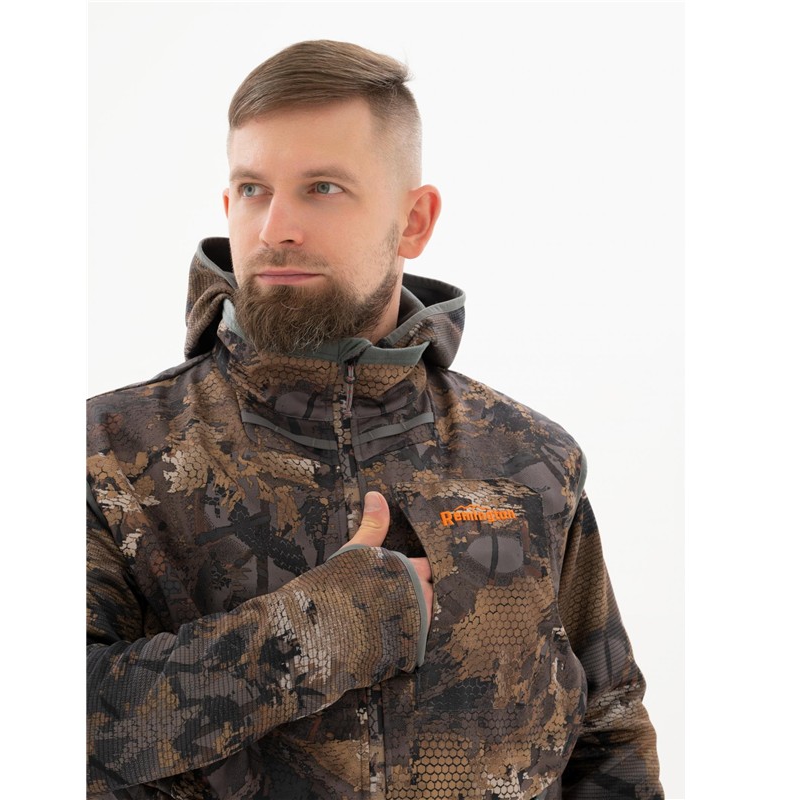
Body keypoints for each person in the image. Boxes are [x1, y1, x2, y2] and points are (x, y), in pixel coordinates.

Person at [87, 40, 663, 799]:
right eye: (254, 189)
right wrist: (313, 635)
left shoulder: (530, 458)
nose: (276, 227)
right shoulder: (109, 452)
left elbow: (608, 726)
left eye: (322, 188)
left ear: (413, 220)